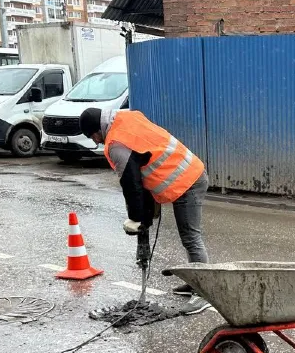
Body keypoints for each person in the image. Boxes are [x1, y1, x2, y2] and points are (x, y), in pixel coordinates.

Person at [79, 107, 211, 315]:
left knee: (190, 237)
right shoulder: (125, 118)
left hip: (189, 181)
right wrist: (145, 216)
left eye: (93, 137)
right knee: (189, 237)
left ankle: (204, 292)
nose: (96, 142)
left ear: (97, 130)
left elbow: (132, 185)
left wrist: (135, 219)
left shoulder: (116, 144)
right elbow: (143, 167)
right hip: (188, 173)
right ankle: (196, 280)